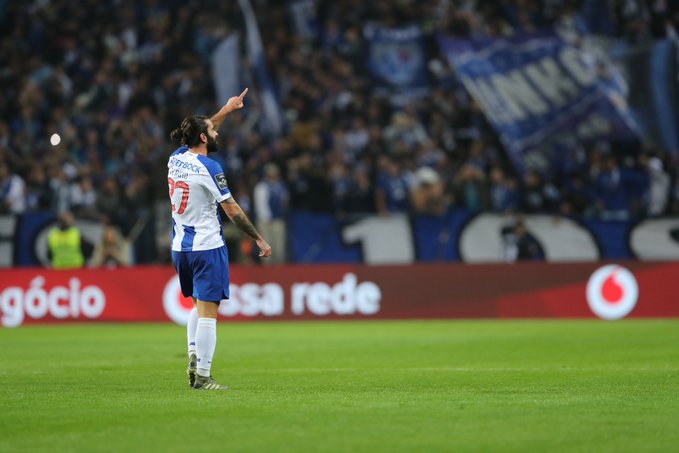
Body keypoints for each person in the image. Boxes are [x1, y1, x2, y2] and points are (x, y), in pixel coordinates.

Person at [168, 88, 271, 391]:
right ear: (203, 138)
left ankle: (192, 355)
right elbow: (233, 210)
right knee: (210, 313)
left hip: (180, 248)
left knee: (198, 306)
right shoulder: (210, 168)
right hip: (207, 247)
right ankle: (203, 375)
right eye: (212, 131)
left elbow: (201, 130)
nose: (216, 132)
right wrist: (259, 239)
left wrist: (226, 110)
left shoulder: (175, 158)